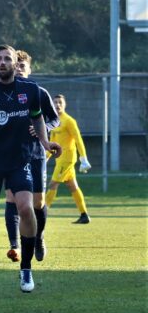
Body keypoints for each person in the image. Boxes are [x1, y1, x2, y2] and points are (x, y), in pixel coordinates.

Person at [0, 45, 62, 295]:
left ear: (14, 62)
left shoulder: (30, 90)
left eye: (7, 58)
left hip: (20, 160)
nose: (3, 62)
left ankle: (26, 269)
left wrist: (45, 142)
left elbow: (39, 118)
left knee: (27, 208)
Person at [3, 50, 59, 263]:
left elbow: (54, 120)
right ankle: (14, 245)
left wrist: (43, 128)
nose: (18, 70)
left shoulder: (38, 92)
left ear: (29, 70)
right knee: (12, 199)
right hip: (11, 155)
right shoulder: (4, 92)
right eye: (16, 66)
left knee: (38, 201)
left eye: (22, 67)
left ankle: (38, 237)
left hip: (36, 153)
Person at [46, 94, 92, 224]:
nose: (58, 105)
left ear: (65, 104)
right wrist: (45, 158)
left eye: (60, 102)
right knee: (72, 186)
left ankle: (42, 212)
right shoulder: (54, 121)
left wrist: (83, 157)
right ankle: (84, 215)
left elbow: (78, 139)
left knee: (53, 184)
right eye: (55, 102)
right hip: (60, 159)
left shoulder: (69, 121)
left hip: (67, 159)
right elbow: (52, 143)